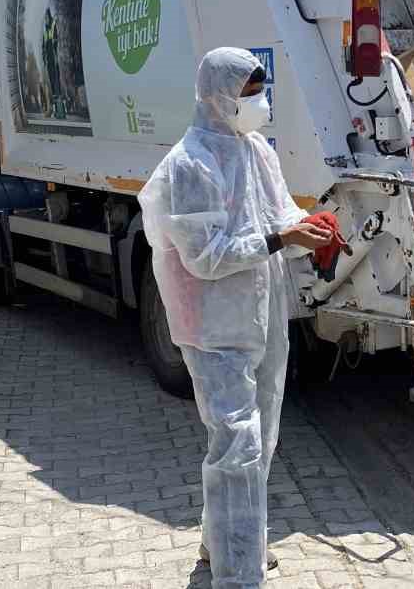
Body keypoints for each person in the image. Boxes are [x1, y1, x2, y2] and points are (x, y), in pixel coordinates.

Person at [138, 48, 339, 586]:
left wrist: (311, 227)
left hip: (261, 314)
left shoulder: (256, 152)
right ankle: (238, 574)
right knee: (236, 443)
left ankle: (219, 542)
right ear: (217, 96)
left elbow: (281, 215)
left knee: (261, 437)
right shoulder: (188, 165)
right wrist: (280, 238)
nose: (259, 102)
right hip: (211, 323)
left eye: (259, 90)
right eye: (248, 92)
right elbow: (204, 257)